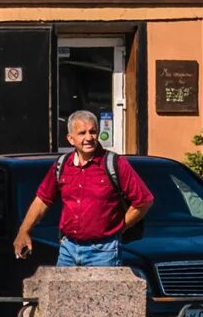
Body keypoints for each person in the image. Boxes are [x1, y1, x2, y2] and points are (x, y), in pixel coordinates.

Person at [13, 110, 155, 267]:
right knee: (63, 292)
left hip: (104, 252)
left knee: (102, 292)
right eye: (82, 133)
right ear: (71, 139)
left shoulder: (115, 164)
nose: (89, 138)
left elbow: (143, 201)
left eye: (93, 132)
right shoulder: (62, 165)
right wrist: (24, 231)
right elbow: (42, 200)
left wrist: (119, 228)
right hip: (67, 248)